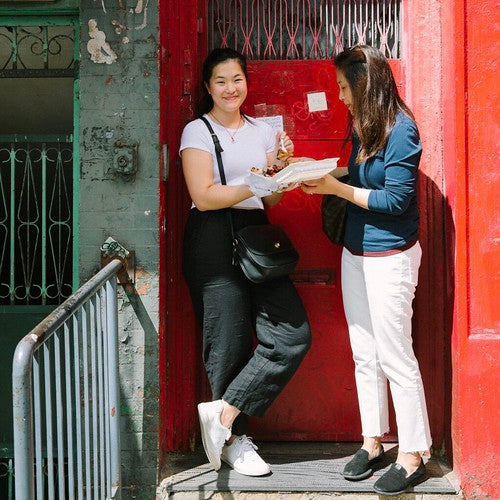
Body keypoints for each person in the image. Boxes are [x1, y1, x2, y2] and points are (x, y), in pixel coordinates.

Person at [302, 45, 432, 496]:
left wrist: (337, 188)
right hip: (355, 253)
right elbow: (361, 178)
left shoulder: (402, 132)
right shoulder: (365, 125)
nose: (338, 96)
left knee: (396, 355)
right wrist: (318, 172)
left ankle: (414, 452)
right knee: (364, 352)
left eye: (342, 87)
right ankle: (373, 441)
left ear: (363, 86)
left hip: (389, 257)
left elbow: (395, 201)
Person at [180, 47, 311, 477]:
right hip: (212, 238)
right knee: (228, 342)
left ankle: (221, 416)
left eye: (237, 79)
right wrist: (252, 181)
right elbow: (202, 195)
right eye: (220, 81)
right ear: (207, 87)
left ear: (246, 83)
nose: (230, 88)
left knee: (292, 335)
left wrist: (281, 173)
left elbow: (268, 197)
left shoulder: (262, 131)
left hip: (257, 235)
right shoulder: (196, 131)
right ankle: (236, 443)